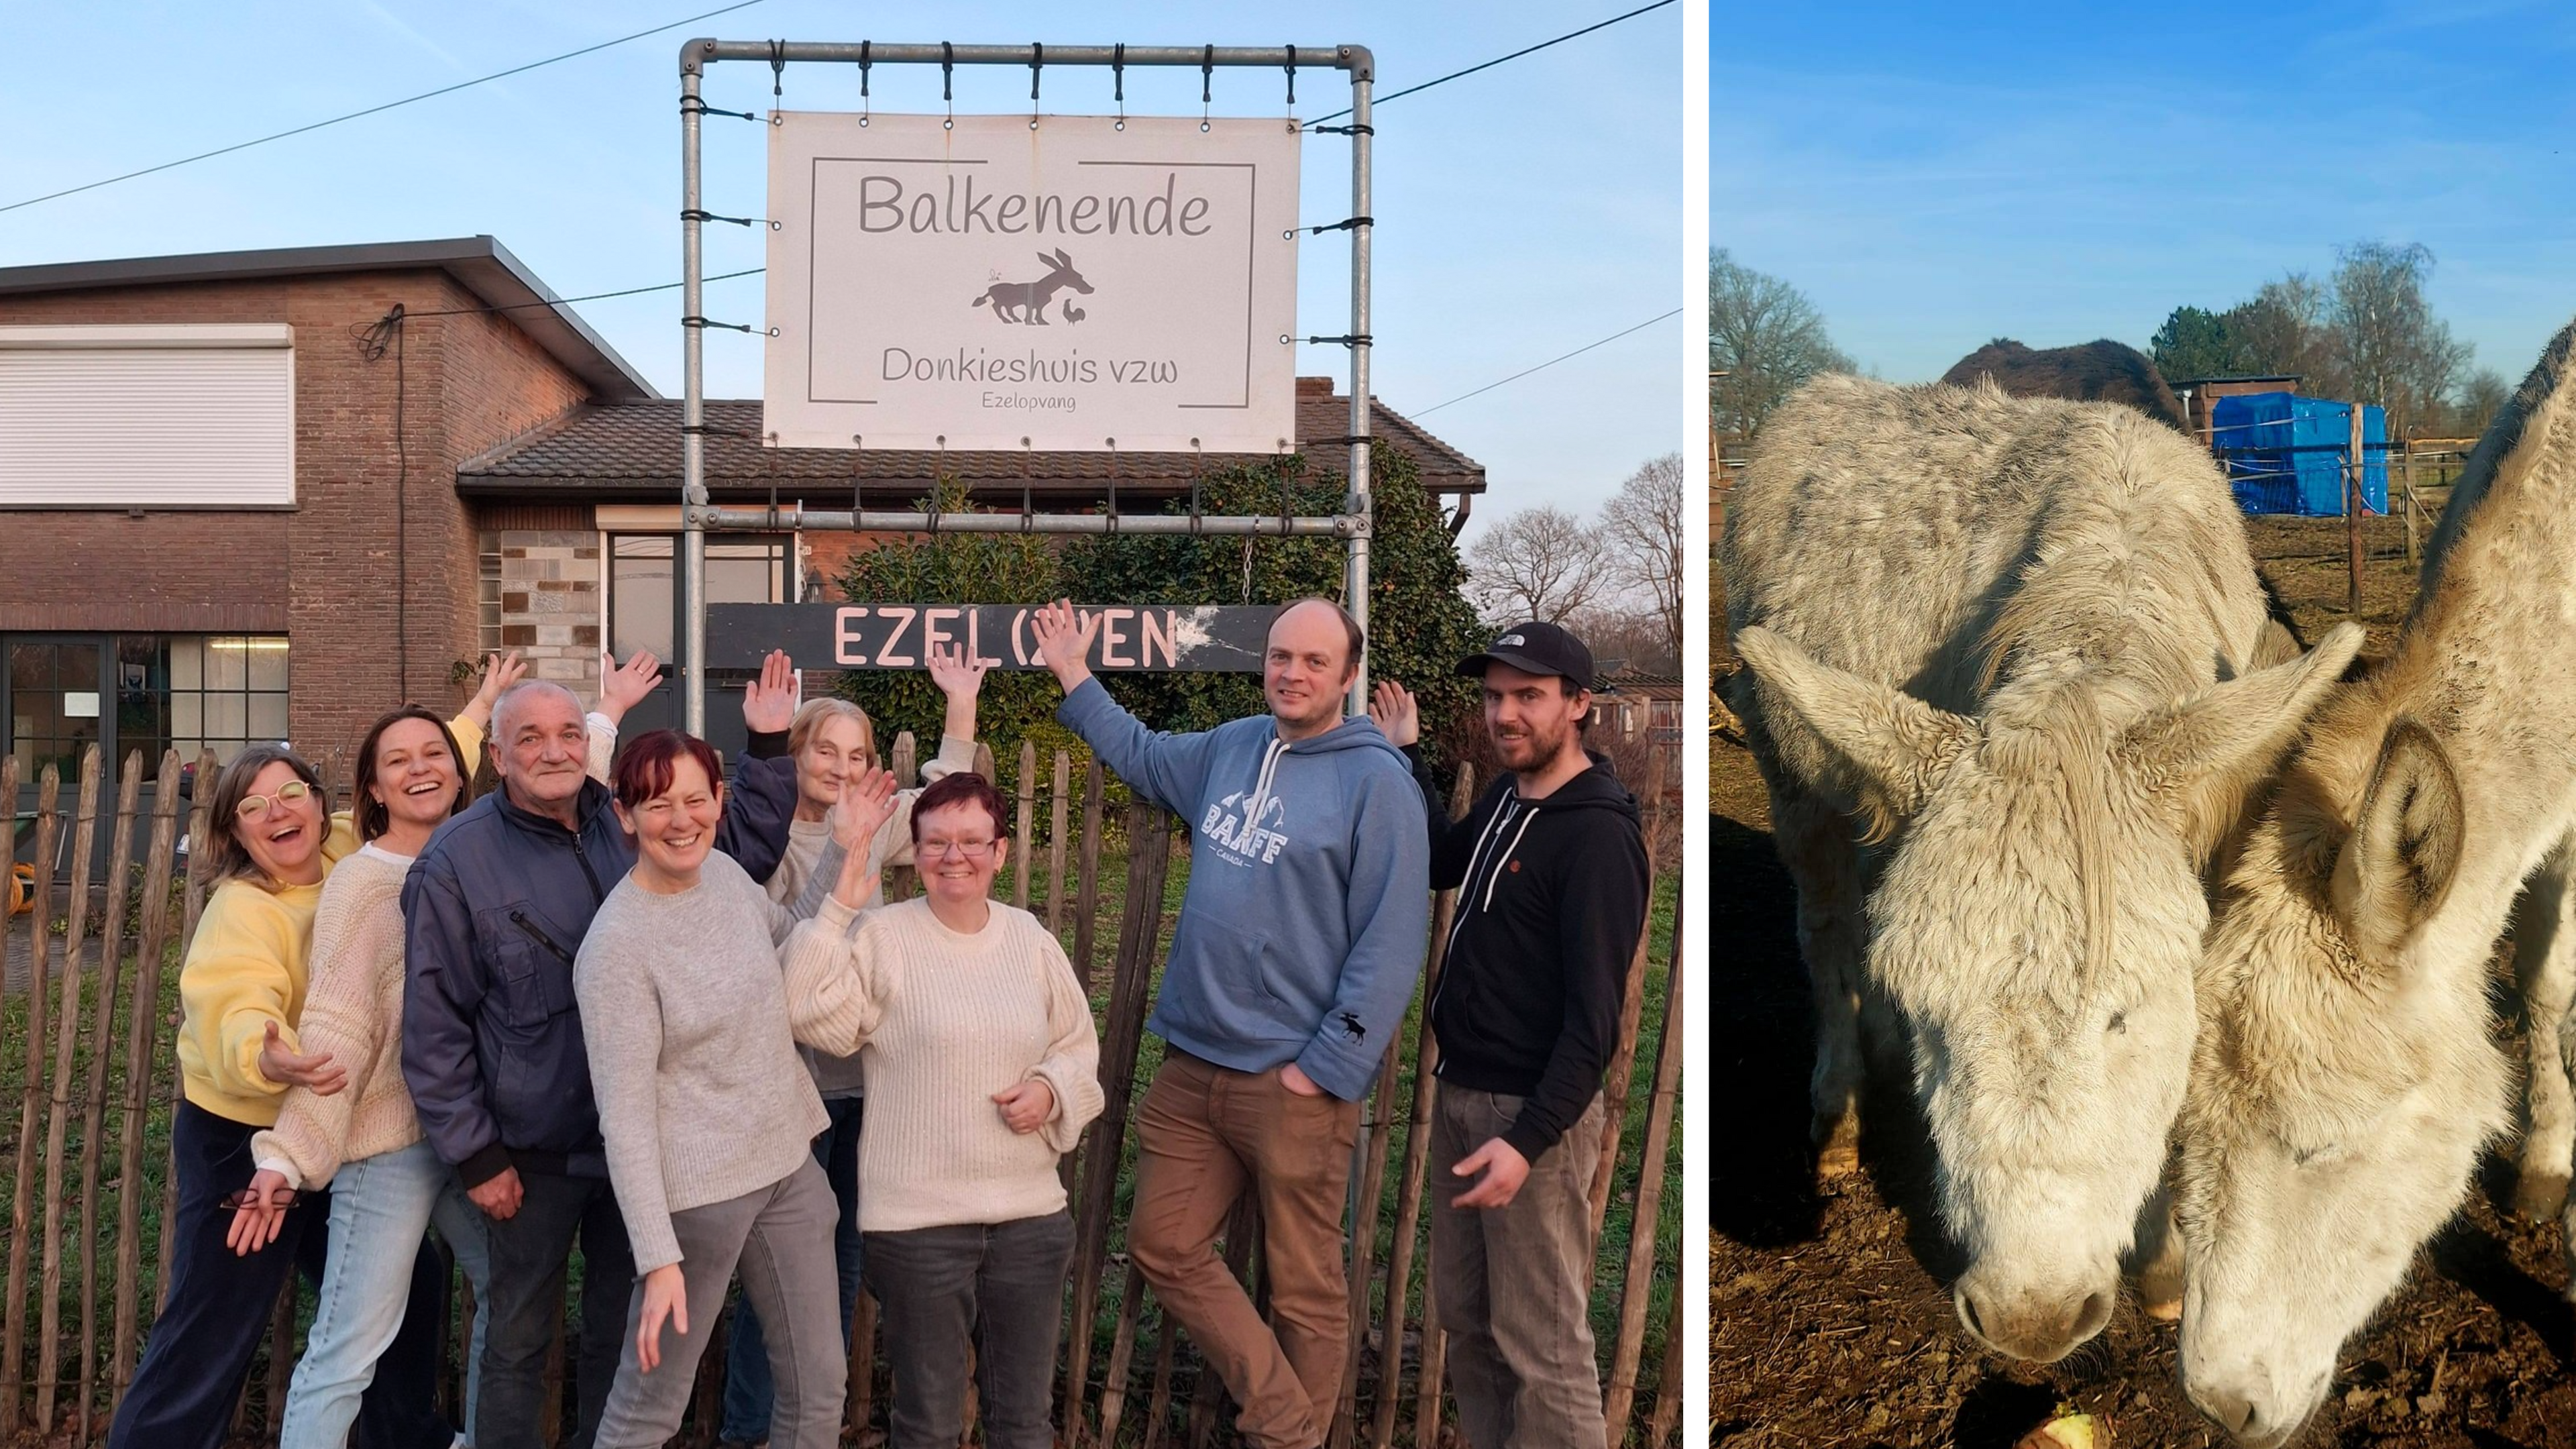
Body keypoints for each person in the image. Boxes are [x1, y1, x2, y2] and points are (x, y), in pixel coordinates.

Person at [1028, 596, 1430, 1449]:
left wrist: (1325, 1068)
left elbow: (1393, 942)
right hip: (1192, 1065)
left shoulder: (1377, 784)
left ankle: (1287, 1439)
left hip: (1294, 1080)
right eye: (1282, 656)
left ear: (1348, 676)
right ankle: (1288, 1420)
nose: (1292, 673)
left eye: (1315, 662)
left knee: (1305, 1287)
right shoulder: (1233, 745)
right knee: (1162, 1243)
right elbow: (1140, 753)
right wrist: (1071, 668)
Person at [108, 660, 525, 1449]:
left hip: (345, 1121)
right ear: (234, 833)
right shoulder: (244, 911)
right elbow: (237, 1007)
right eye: (255, 808)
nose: (278, 813)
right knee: (219, 1314)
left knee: (409, 1287)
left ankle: (405, 1436)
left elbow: (423, 770)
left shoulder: (345, 847)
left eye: (290, 793)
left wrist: (477, 709)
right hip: (247, 1132)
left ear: (324, 802)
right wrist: (271, 1060)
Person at [402, 650, 804, 1449]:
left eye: (564, 734)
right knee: (516, 1338)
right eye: (529, 739)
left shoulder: (629, 815)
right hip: (533, 1150)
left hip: (646, 1148)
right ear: (495, 756)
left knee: (626, 1336)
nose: (553, 751)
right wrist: (477, 1156)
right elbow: (434, 1023)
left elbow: (739, 854)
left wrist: (765, 750)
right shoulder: (456, 863)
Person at [1368, 622, 1650, 1449]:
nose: (1505, 714)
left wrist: (1527, 1142)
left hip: (1529, 1121)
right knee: (1477, 1333)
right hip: (1462, 1100)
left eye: (1529, 695)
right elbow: (1437, 860)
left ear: (1579, 705)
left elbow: (1594, 1024)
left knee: (1547, 1350)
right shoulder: (1504, 795)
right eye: (1495, 697)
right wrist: (1409, 758)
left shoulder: (1597, 835)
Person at [575, 729, 886, 1449]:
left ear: (719, 799)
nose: (680, 820)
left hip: (785, 1164)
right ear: (625, 815)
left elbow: (792, 941)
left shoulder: (722, 875)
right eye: (656, 805)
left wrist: (843, 845)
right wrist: (657, 1260)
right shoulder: (616, 949)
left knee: (818, 1391)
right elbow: (622, 1120)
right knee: (651, 1406)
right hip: (697, 1203)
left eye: (694, 799)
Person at [784, 769, 1104, 1449]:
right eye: (935, 843)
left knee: (1022, 1423)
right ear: (916, 850)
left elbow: (1078, 1049)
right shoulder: (884, 937)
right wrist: (839, 909)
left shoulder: (1030, 940)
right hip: (916, 1228)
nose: (954, 856)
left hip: (1029, 1222)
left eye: (971, 841)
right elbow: (803, 1010)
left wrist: (1050, 1088)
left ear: (1001, 852)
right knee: (925, 1424)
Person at [719, 648, 987, 1449]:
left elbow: (944, 791)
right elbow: (785, 956)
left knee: (838, 1262)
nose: (841, 767)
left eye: (858, 756)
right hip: (791, 1091)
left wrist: (962, 701)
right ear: (795, 754)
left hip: (864, 1083)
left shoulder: (875, 822)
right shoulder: (759, 838)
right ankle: (747, 1428)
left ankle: (808, 1426)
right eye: (824, 750)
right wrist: (843, 845)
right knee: (780, 1271)